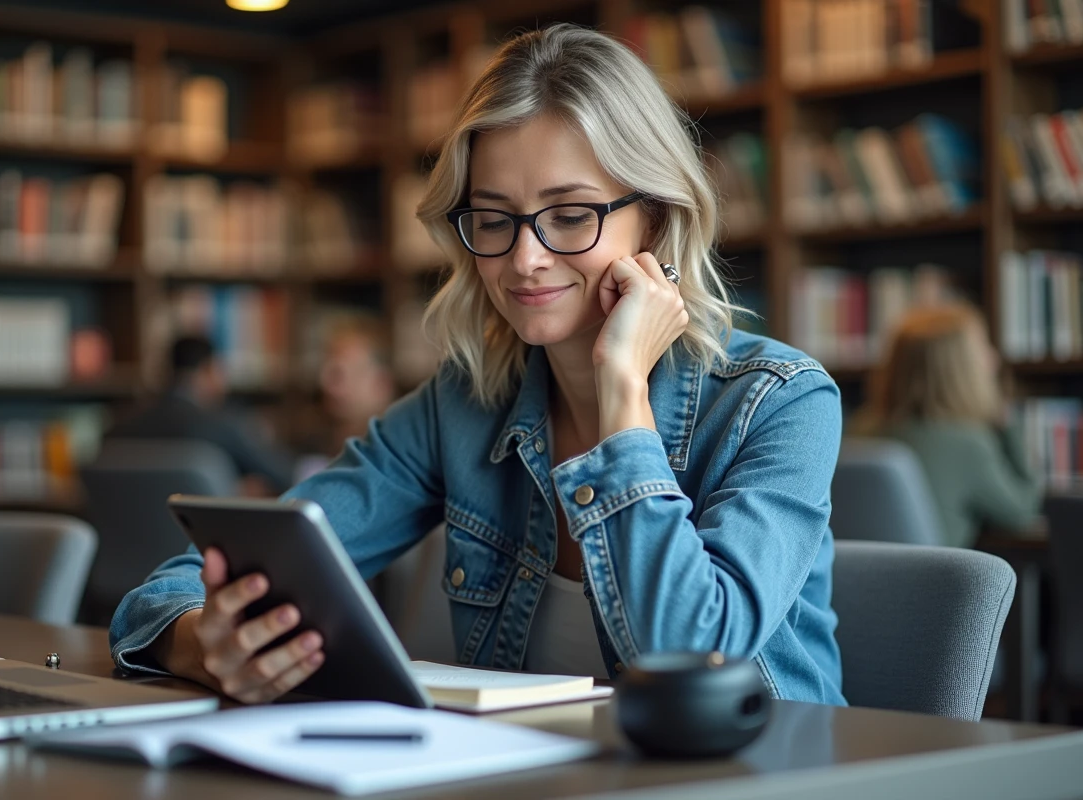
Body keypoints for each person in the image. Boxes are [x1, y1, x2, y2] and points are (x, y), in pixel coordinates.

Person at [109, 24, 846, 706]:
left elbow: (691, 657)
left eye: (570, 214)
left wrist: (623, 393)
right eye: (493, 219)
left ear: (652, 217)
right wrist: (201, 643)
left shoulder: (781, 403)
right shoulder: (462, 406)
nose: (525, 260)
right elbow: (184, 581)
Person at [856, 302, 1041, 548]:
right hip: (932, 585)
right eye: (983, 348)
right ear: (961, 371)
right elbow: (1022, 512)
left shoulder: (857, 432)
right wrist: (1008, 425)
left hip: (853, 582)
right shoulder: (968, 445)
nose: (993, 360)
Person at [105, 335, 293, 496]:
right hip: (204, 537)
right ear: (209, 369)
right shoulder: (220, 426)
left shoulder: (117, 429)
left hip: (131, 538)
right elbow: (285, 475)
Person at [292, 316, 398, 483]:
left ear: (382, 383)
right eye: (327, 369)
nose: (326, 382)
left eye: (341, 373)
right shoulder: (303, 440)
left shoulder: (399, 458)